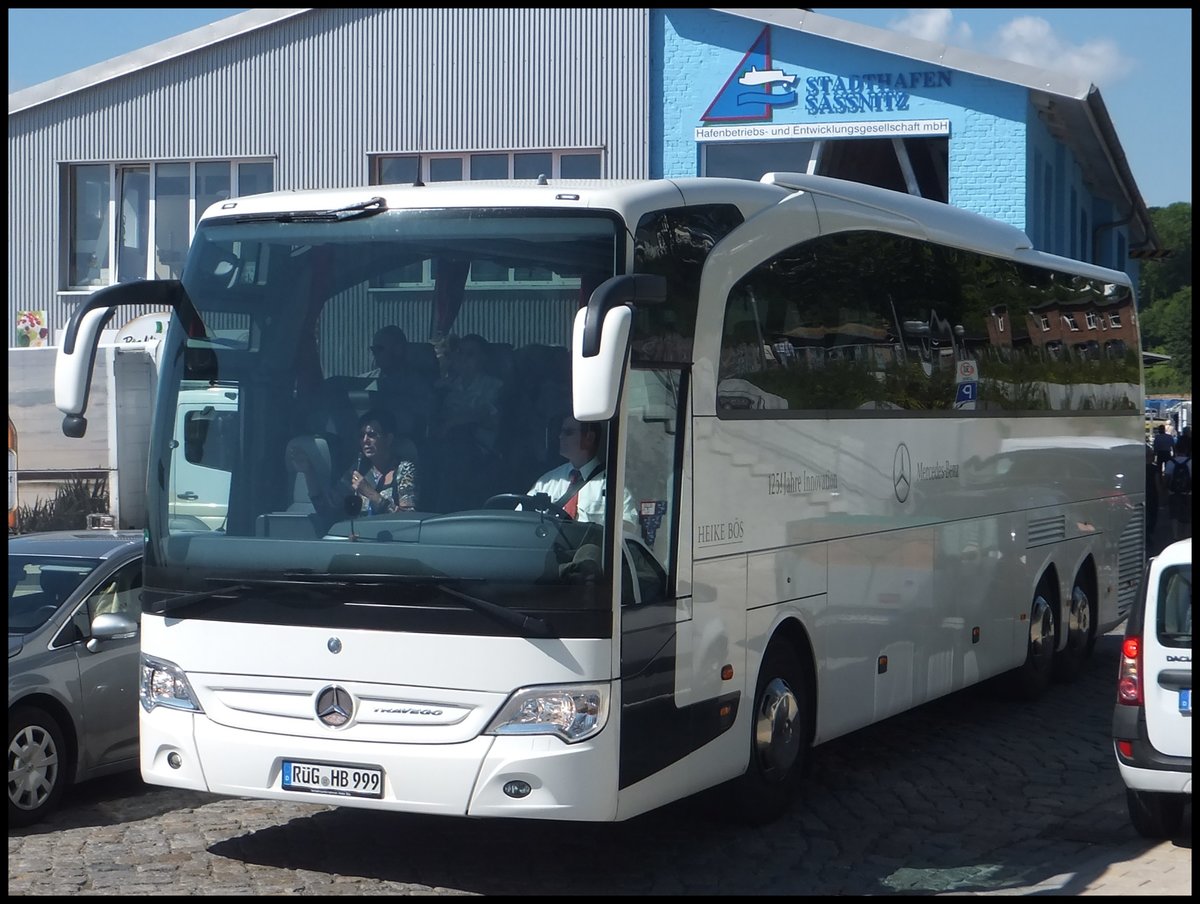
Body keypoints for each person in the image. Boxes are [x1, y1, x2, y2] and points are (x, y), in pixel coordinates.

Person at [290, 408, 418, 519]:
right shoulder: (358, 470)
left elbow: (408, 520)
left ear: (388, 439)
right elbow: (327, 509)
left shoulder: (404, 470)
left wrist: (371, 494)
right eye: (362, 435)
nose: (365, 441)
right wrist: (309, 472)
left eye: (371, 435)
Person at [527, 415, 638, 532]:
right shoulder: (548, 481)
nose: (560, 437)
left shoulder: (613, 487)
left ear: (589, 437)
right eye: (561, 432)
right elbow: (521, 515)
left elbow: (626, 530)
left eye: (568, 432)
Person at [1162, 433, 1191, 541]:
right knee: (1187, 515)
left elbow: (1166, 479)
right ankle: (1186, 536)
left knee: (1174, 515)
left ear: (1176, 449)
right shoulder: (1190, 462)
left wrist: (1164, 490)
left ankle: (1175, 536)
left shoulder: (1170, 463)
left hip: (1173, 493)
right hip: (1188, 493)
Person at [1144, 443, 1159, 556]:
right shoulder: (1154, 468)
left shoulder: (1137, 468)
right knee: (1152, 514)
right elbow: (1157, 483)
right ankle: (1149, 534)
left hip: (1142, 495)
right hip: (1152, 495)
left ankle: (1146, 534)